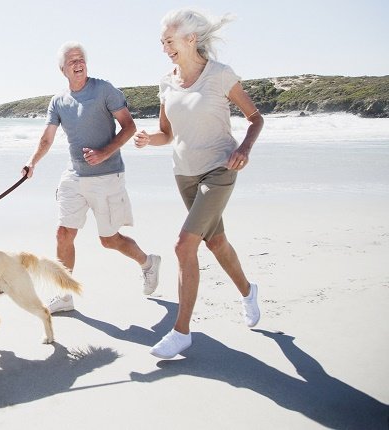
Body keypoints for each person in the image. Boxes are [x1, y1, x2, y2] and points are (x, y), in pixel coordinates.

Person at [135, 8, 264, 359]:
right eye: (162, 42)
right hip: (184, 173)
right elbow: (167, 134)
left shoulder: (221, 76)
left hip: (219, 169)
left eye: (169, 40)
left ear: (191, 39)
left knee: (183, 245)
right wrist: (149, 140)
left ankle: (181, 332)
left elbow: (255, 118)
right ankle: (247, 290)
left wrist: (244, 148)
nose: (165, 47)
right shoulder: (167, 82)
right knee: (216, 242)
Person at [24, 41, 161, 313]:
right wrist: (32, 163)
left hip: (107, 175)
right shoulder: (58, 101)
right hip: (74, 175)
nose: (78, 63)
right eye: (72, 60)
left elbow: (129, 126)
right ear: (62, 69)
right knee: (64, 233)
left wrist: (104, 152)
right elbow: (47, 138)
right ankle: (64, 295)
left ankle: (148, 262)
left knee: (109, 239)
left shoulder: (103, 90)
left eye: (81, 59)